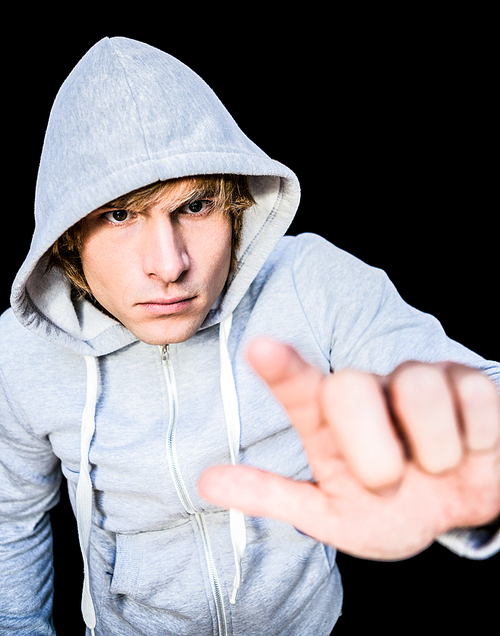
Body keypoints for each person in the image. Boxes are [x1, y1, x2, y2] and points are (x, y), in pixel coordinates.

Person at [1, 36, 499, 636]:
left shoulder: (313, 281)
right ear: (69, 236)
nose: (169, 264)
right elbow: (11, 520)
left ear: (237, 205)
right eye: (120, 214)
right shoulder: (24, 351)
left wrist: (482, 464)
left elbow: (464, 386)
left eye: (195, 207)